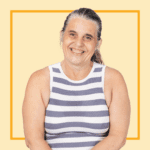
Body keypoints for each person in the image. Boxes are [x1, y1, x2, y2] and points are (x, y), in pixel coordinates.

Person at [22, 8, 131, 150]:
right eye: (72, 34)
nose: (79, 43)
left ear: (98, 43)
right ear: (62, 36)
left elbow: (118, 137)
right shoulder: (39, 80)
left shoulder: (113, 79)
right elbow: (33, 140)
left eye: (88, 37)